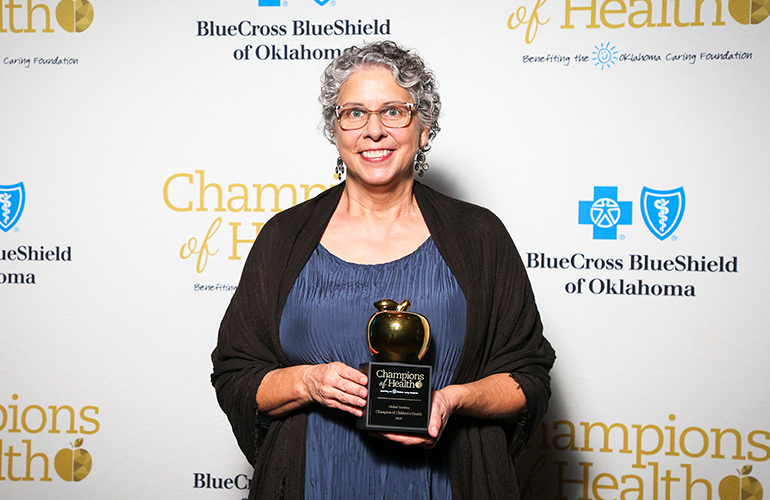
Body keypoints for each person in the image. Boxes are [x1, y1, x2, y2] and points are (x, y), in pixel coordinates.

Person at [211, 40, 555, 500]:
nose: (373, 130)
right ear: (336, 130)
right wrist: (307, 382)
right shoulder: (283, 237)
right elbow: (236, 373)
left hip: (445, 480)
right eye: (354, 113)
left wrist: (452, 400)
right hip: (314, 479)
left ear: (425, 128)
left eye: (394, 111)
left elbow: (527, 375)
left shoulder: (480, 236)